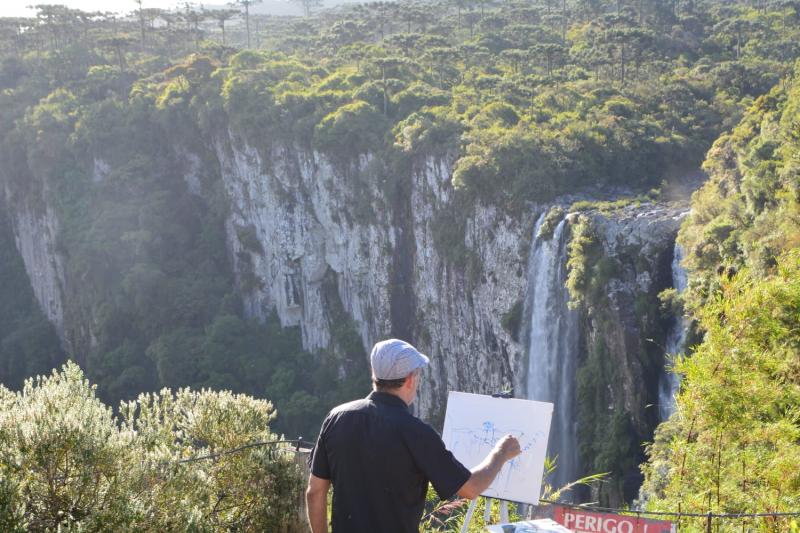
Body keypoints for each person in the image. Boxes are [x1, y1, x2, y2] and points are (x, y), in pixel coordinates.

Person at [306, 338, 521, 533]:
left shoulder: (337, 418)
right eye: (418, 375)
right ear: (410, 379)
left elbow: (315, 492)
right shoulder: (416, 433)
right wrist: (501, 452)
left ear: (375, 375)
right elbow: (471, 488)